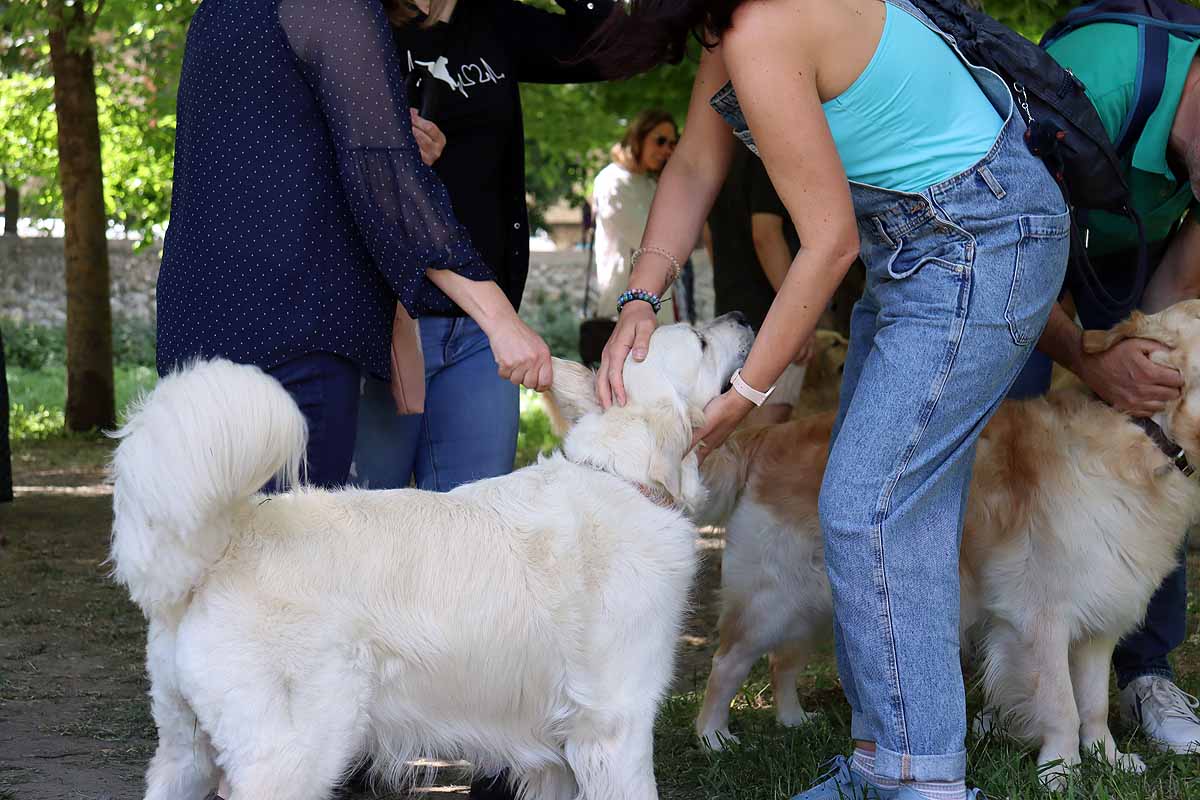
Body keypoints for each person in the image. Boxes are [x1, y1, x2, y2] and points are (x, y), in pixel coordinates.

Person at [587, 0, 1070, 797]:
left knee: (864, 506)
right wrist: (641, 295)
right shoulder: (733, 28)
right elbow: (697, 167)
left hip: (975, 239)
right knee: (887, 508)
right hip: (917, 244)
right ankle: (892, 761)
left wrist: (742, 394)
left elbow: (827, 242)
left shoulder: (765, 26)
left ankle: (920, 781)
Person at [346, 1, 613, 796]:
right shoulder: (361, 22)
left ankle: (493, 756)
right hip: (387, 320)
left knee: (486, 548)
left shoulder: (496, 22)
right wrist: (389, 153)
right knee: (375, 533)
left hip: (486, 333)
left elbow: (603, 43)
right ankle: (359, 751)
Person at [155, 0, 553, 492]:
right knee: (296, 560)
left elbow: (269, 152)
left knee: (216, 556)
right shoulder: (338, 7)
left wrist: (386, 136)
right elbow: (389, 187)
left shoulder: (218, 10)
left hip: (197, 337)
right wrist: (501, 321)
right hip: (296, 337)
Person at [1007, 19, 1200, 755]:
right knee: (1011, 449)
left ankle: (1145, 667)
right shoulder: (1101, 79)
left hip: (1122, 247)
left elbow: (1172, 294)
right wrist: (1088, 360)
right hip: (1011, 238)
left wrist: (1139, 361)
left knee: (1160, 443)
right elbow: (1017, 254)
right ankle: (1009, 657)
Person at [591, 110, 682, 323]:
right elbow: (646, 239)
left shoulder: (652, 184)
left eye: (672, 143)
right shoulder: (612, 181)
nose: (666, 150)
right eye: (660, 141)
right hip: (623, 300)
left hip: (658, 298)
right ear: (638, 137)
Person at [706, 144, 800, 329]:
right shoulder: (764, 155)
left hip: (729, 304)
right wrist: (796, 315)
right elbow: (766, 236)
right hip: (768, 309)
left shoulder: (720, 155)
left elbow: (707, 235)